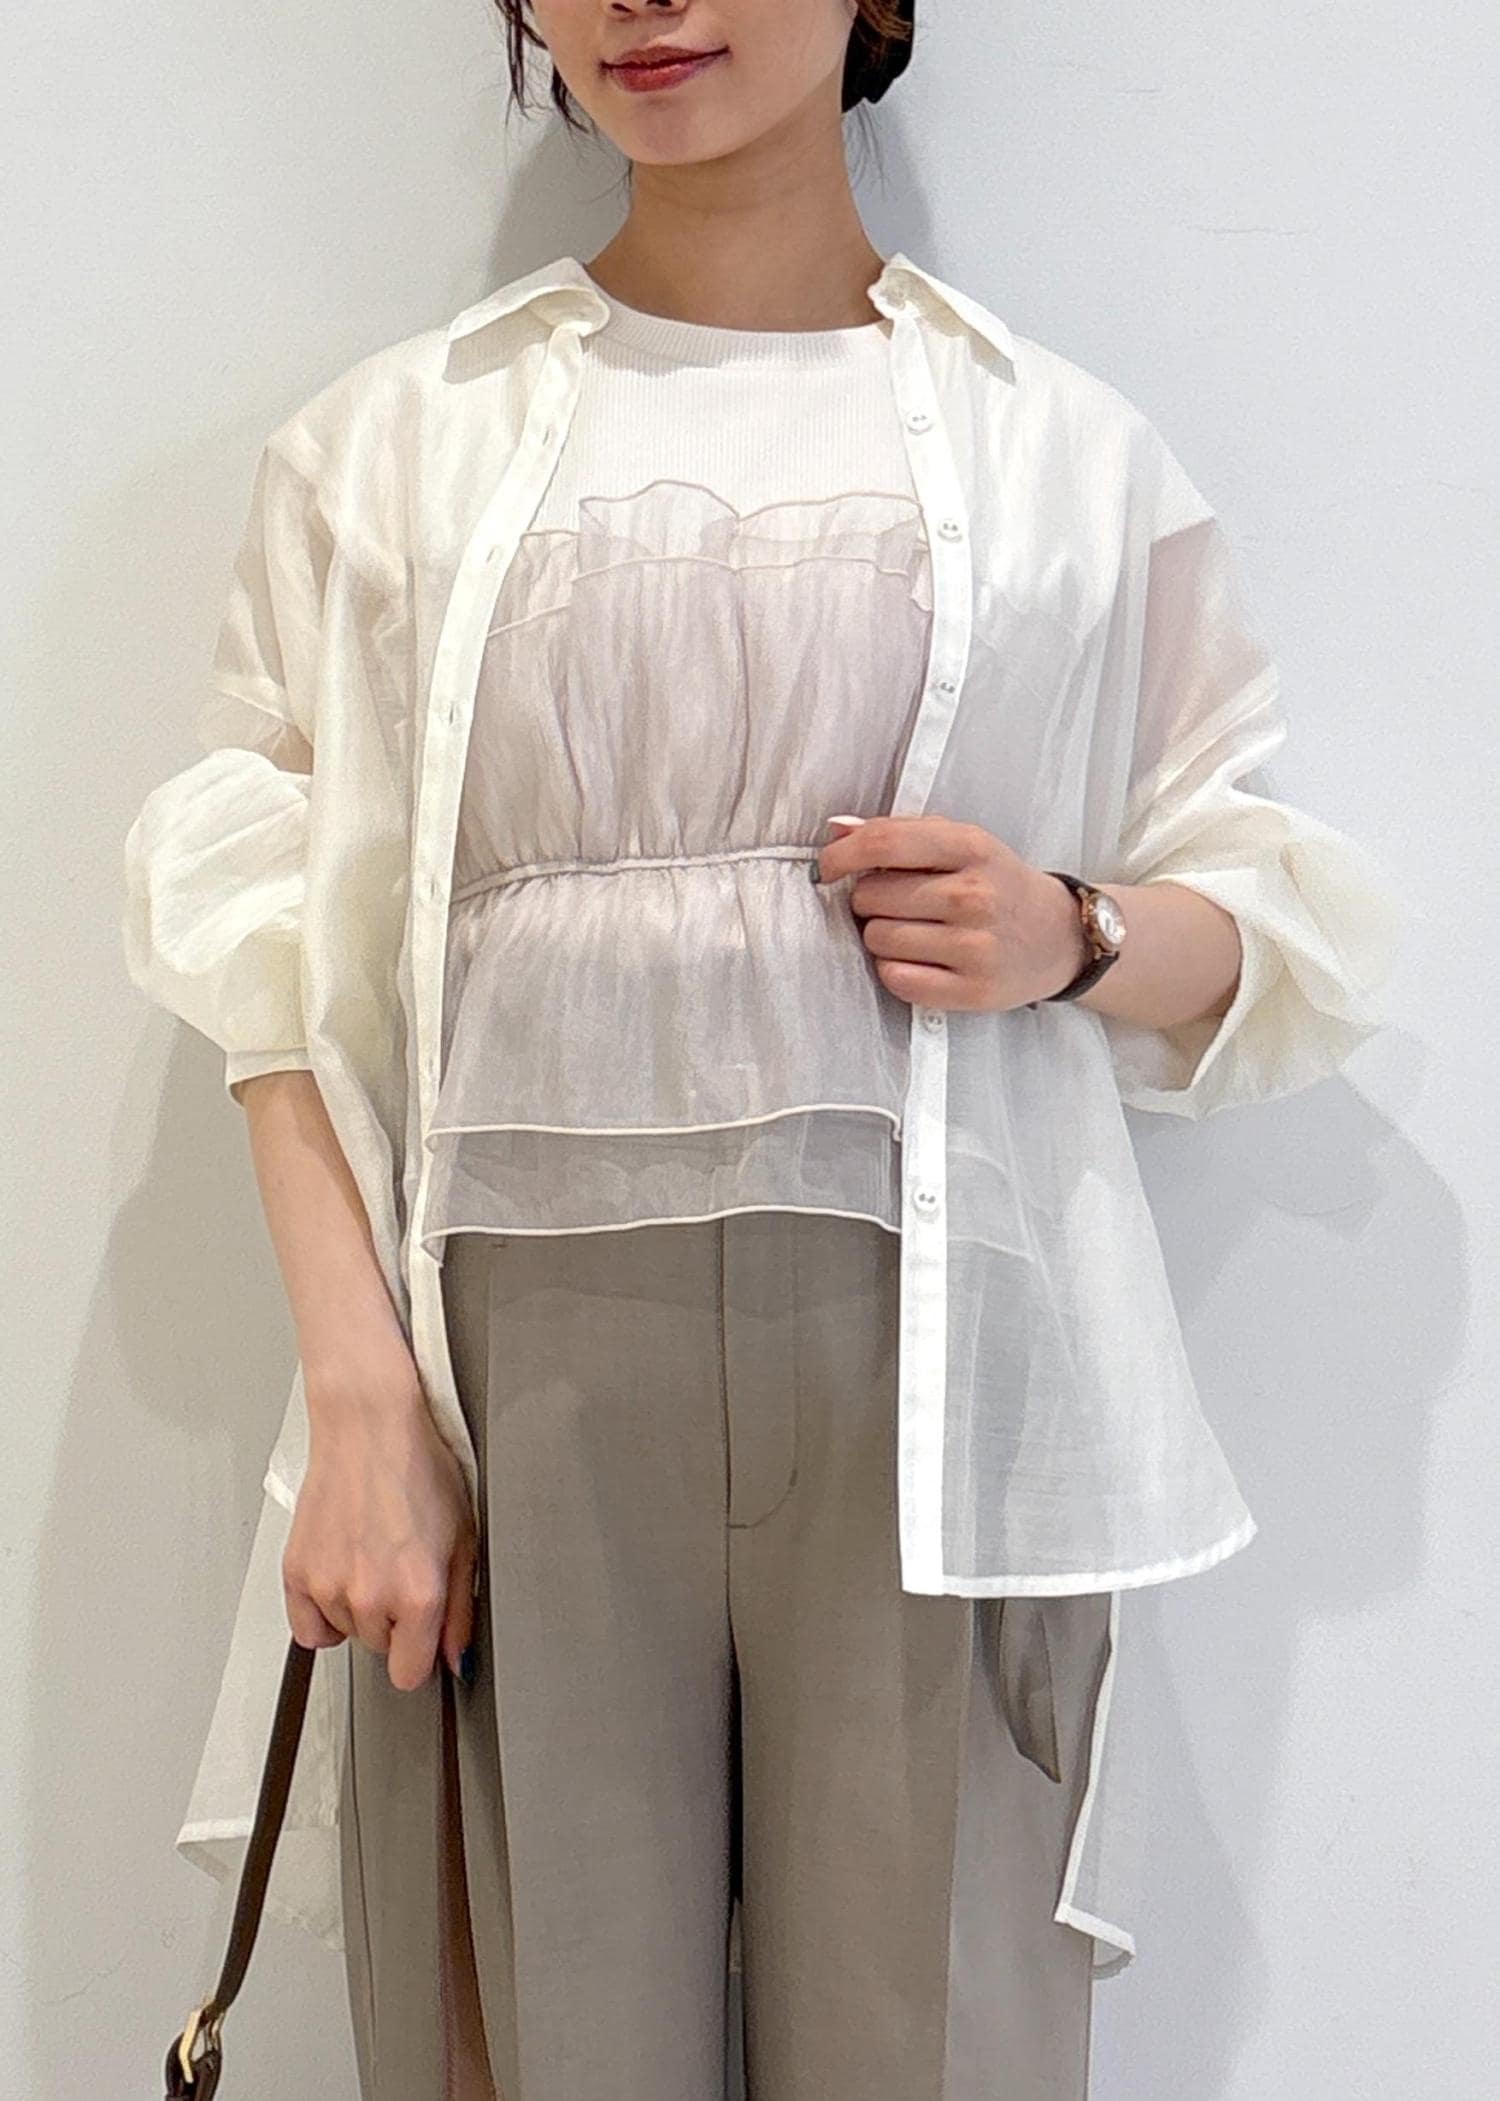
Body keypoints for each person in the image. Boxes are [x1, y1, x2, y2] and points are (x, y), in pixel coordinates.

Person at [121, 3, 1401, 2095]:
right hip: (498, 1384)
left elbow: (1270, 903)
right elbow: (261, 943)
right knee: (541, 2042)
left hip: (933, 1387)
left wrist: (1071, 932)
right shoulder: (397, 447)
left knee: (931, 2041)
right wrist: (361, 1396)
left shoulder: (1055, 454)